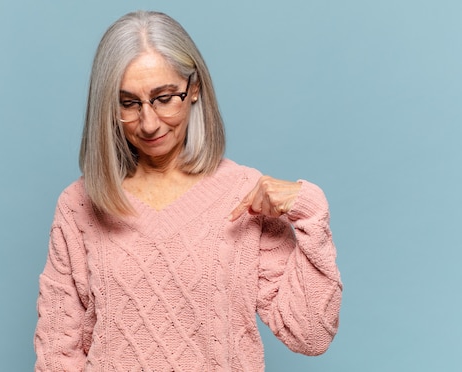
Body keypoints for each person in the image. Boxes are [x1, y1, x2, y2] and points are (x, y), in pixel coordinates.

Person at [34, 10, 342, 371]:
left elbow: (310, 334)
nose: (148, 123)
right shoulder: (79, 205)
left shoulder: (243, 195)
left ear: (194, 88)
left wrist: (309, 206)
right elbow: (57, 351)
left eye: (164, 98)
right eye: (128, 103)